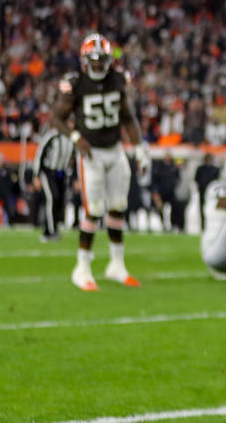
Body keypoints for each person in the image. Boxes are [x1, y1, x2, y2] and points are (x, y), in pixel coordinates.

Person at [52, 32, 145, 290]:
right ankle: (81, 268)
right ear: (84, 60)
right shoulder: (75, 83)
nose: (97, 65)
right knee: (93, 209)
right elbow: (55, 118)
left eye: (101, 60)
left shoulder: (117, 80)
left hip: (115, 150)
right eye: (92, 60)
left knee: (118, 205)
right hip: (90, 153)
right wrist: (74, 136)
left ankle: (117, 264)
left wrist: (139, 149)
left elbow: (128, 117)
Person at [195, 152, 221, 231]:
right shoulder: (200, 169)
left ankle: (210, 226)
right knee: (202, 209)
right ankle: (203, 226)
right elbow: (196, 179)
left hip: (211, 194)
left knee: (211, 209)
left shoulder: (215, 169)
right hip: (202, 192)